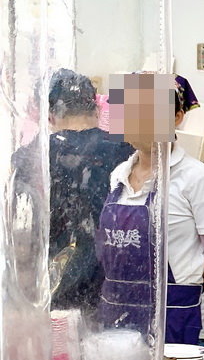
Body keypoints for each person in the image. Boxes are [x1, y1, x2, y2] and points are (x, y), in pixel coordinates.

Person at [97, 74, 204, 359]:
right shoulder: (117, 177)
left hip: (179, 325)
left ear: (176, 117)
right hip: (117, 326)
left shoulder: (198, 180)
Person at [11, 70, 132, 311]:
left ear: (49, 114)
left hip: (51, 282)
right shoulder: (125, 152)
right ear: (96, 108)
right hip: (116, 278)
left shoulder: (28, 158)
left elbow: (20, 233)